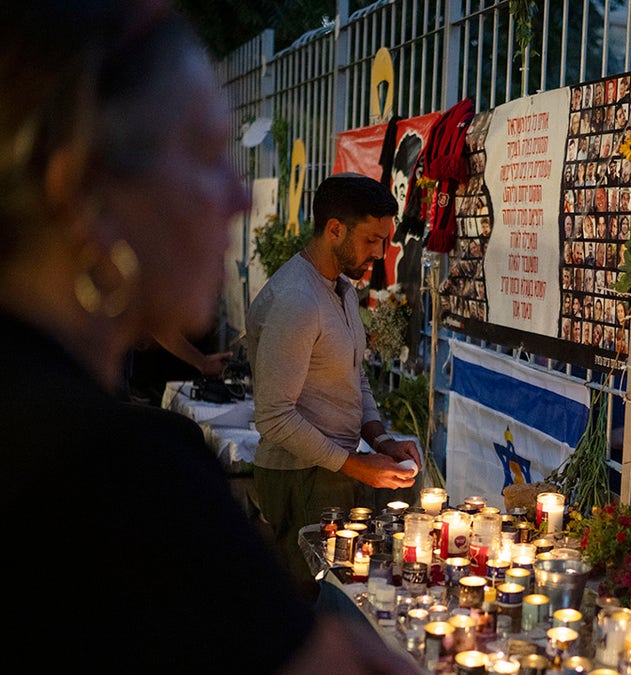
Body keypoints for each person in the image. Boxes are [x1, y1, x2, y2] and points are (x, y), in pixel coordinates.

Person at [0, 1, 415, 672]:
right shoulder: (115, 475)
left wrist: (373, 433)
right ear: (81, 189)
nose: (241, 197)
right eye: (203, 153)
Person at [247, 172, 422, 593]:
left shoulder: (340, 288)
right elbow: (274, 417)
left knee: (345, 594)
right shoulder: (297, 300)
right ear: (334, 229)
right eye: (371, 240)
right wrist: (357, 465)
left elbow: (353, 373)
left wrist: (379, 440)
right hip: (300, 476)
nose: (380, 254)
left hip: (330, 470)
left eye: (385, 241)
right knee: (315, 604)